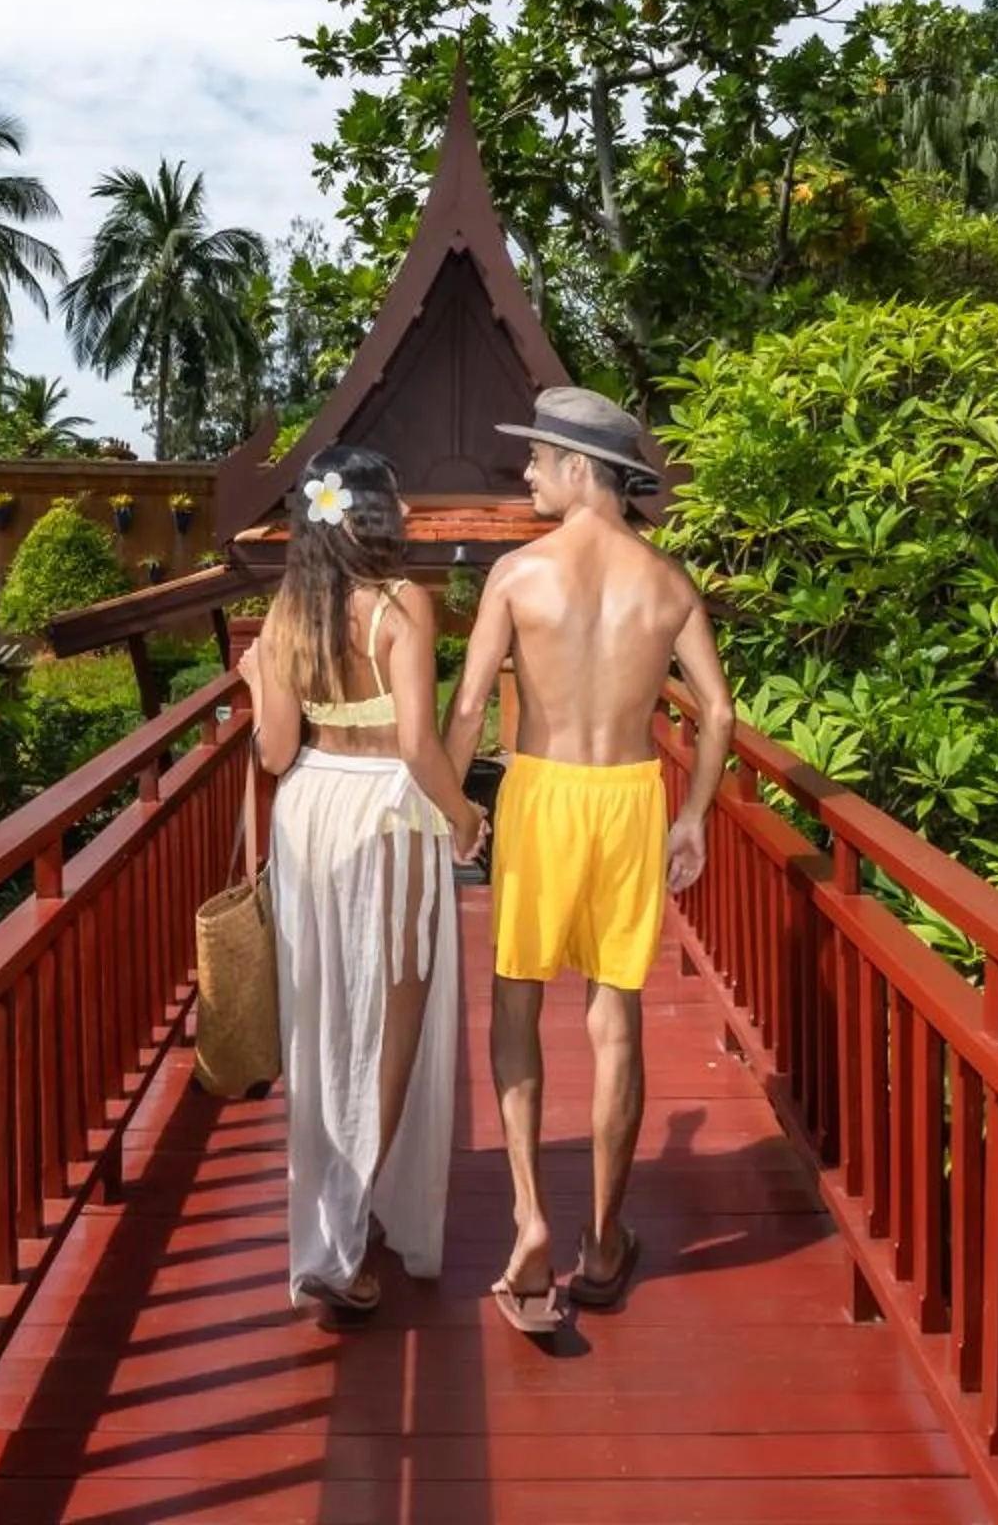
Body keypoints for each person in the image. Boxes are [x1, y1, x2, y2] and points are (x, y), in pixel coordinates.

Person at [442, 386, 735, 1333]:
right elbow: (721, 714)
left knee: (517, 1002)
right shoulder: (667, 581)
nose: (526, 473)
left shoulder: (520, 574)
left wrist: (452, 810)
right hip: (629, 799)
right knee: (616, 1018)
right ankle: (604, 1240)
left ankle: (531, 1218)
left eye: (536, 458)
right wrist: (691, 816)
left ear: (580, 469)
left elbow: (467, 707)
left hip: (541, 793)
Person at [242, 445, 488, 1318]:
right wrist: (464, 819)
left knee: (323, 1019)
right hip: (388, 810)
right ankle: (341, 1244)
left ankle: (339, 1216)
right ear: (376, 517)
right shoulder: (400, 606)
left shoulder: (284, 612)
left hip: (309, 809)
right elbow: (421, 747)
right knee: (391, 1021)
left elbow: (274, 753)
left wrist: (252, 677)